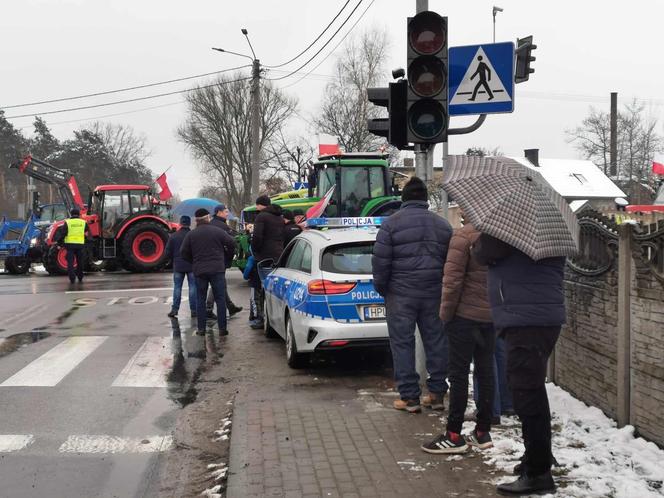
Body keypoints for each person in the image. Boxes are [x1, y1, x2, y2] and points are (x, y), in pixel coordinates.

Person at [472, 233, 565, 496]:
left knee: (526, 393)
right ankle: (537, 458)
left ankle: (538, 473)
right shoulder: (550, 230)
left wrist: (479, 238)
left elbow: (481, 253)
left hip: (526, 320)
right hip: (540, 317)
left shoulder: (507, 232)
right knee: (532, 390)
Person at [372, 177, 453, 413]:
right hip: (434, 293)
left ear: (404, 199)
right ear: (426, 200)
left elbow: (380, 262)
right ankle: (437, 394)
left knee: (402, 344)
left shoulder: (391, 224)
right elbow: (451, 262)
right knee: (437, 342)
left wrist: (384, 289)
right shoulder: (443, 225)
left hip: (400, 294)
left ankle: (409, 397)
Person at [422, 222, 496, 454]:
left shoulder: (463, 238)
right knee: (485, 371)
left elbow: (452, 282)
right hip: (491, 316)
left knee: (459, 374)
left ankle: (453, 434)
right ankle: (482, 431)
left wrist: (445, 314)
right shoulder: (499, 236)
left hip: (464, 316)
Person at [180, 209, 236, 337]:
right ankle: (222, 329)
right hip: (217, 269)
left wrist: (194, 261)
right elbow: (232, 243)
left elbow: (183, 253)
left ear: (196, 220)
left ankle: (201, 329)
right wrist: (226, 258)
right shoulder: (218, 232)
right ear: (208, 218)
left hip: (200, 270)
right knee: (220, 298)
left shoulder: (191, 235)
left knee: (200, 299)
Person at [249, 195, 284, 329]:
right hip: (278, 256)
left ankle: (260, 318)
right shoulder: (279, 217)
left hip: (263, 257)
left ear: (260, 205)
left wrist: (254, 249)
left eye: (257, 205)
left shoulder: (261, 217)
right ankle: (274, 316)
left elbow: (257, 237)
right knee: (273, 289)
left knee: (259, 288)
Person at [206, 204, 242, 318]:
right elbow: (231, 242)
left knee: (221, 283)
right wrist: (230, 257)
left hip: (210, 259)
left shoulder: (211, 224)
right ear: (219, 212)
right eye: (225, 212)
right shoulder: (222, 226)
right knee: (217, 283)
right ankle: (208, 308)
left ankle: (230, 307)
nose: (227, 214)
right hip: (219, 259)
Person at [165, 215, 197, 318]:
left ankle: (175, 309)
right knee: (192, 287)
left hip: (178, 265)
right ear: (189, 224)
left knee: (177, 287)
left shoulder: (174, 236)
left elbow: (167, 252)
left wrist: (172, 260)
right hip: (191, 265)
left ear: (180, 223)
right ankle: (194, 310)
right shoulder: (193, 235)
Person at [56, 207, 90, 284]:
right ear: (78, 214)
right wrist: (84, 240)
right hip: (80, 245)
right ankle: (80, 277)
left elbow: (63, 234)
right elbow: (86, 234)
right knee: (80, 262)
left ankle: (72, 278)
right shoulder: (83, 222)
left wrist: (59, 243)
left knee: (70, 263)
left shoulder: (67, 222)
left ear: (71, 214)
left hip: (70, 246)